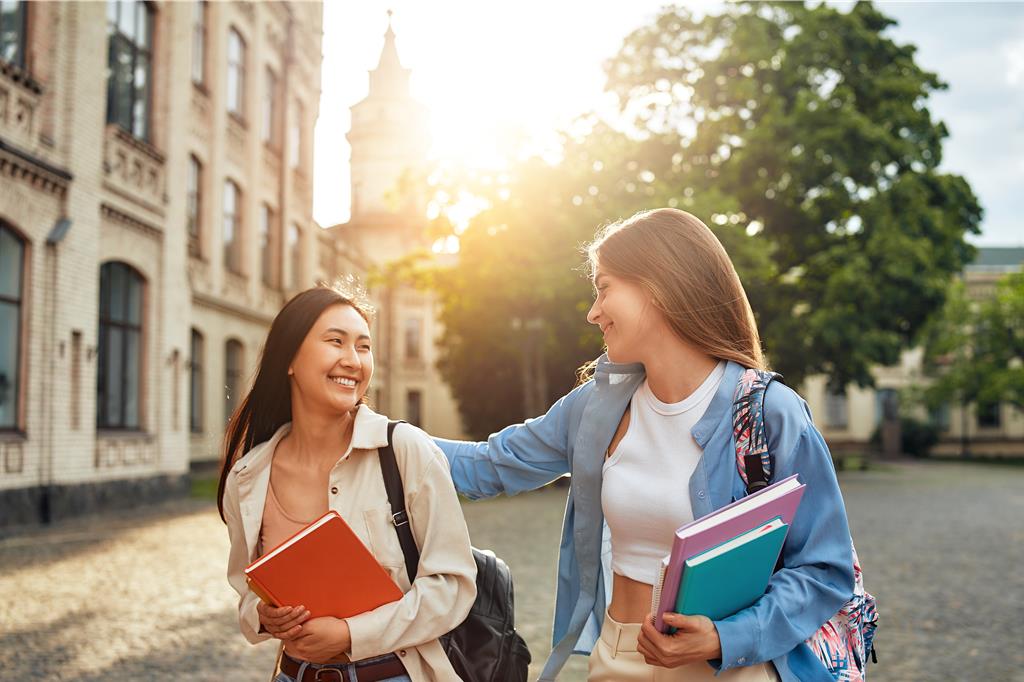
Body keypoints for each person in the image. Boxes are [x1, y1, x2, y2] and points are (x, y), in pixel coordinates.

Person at [435, 208, 855, 682]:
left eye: (604, 288)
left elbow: (825, 569)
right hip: (617, 656)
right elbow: (491, 465)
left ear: (657, 286)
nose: (593, 312)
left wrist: (724, 638)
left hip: (730, 668)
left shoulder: (768, 412)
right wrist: (371, 431)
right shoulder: (597, 405)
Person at [219, 284, 476, 682]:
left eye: (363, 346)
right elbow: (247, 591)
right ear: (288, 359)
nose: (352, 360)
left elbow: (453, 586)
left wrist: (349, 633)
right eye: (335, 342)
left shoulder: (404, 450)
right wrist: (265, 615)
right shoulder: (249, 476)